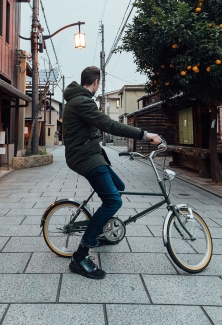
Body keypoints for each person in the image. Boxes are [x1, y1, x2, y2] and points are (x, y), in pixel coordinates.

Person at [62, 66, 161, 279]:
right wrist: (145, 134)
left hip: (90, 154)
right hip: (86, 158)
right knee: (113, 202)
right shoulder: (82, 102)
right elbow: (108, 125)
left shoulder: (79, 99)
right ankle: (80, 256)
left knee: (118, 188)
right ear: (96, 82)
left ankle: (100, 229)